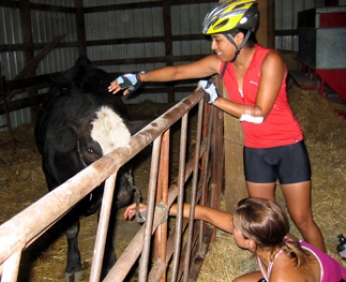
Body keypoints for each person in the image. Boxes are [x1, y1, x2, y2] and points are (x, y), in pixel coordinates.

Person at [108, 0, 326, 252]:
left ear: (240, 37)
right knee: (263, 224)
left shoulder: (271, 61)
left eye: (219, 40)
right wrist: (140, 77)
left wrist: (217, 99)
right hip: (255, 150)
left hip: (288, 148)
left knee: (302, 219)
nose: (213, 46)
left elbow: (258, 114)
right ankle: (285, 266)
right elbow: (178, 72)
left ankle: (327, 270)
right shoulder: (221, 64)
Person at [123, 198, 346, 282]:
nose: (231, 227)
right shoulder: (274, 238)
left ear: (251, 242)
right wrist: (159, 209)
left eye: (236, 228)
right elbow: (206, 214)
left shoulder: (285, 276)